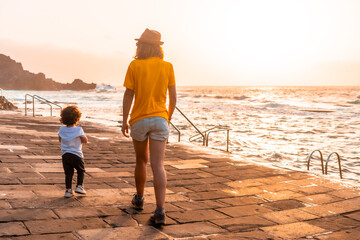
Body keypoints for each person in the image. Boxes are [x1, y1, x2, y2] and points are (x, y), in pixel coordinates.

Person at [121, 28, 177, 225]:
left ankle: (139, 199)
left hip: (139, 119)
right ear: (158, 47)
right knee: (158, 165)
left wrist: (124, 119)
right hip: (160, 119)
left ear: (142, 46)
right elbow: (173, 98)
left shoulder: (135, 65)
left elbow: (128, 95)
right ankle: (160, 210)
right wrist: (166, 119)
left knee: (141, 161)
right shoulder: (167, 66)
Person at [58, 105, 88, 198]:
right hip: (77, 155)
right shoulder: (79, 130)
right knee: (80, 170)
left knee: (68, 173)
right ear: (77, 118)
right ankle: (79, 186)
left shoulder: (61, 129)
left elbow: (60, 139)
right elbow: (85, 140)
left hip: (65, 155)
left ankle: (68, 191)